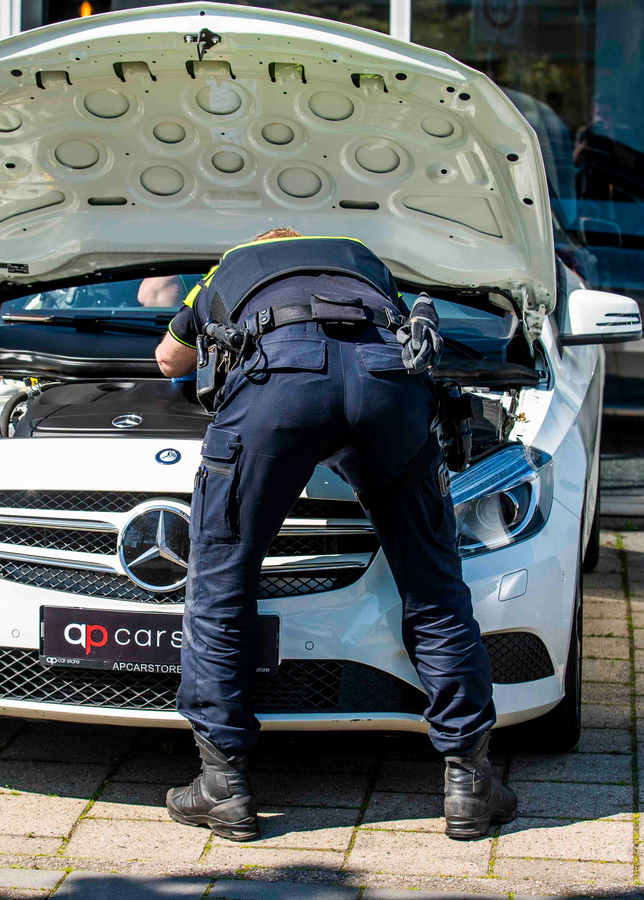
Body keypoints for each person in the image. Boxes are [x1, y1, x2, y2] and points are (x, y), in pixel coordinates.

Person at [154, 228, 516, 842]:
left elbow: (170, 361)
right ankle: (469, 782)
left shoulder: (229, 268)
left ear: (260, 247)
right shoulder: (362, 261)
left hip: (278, 387)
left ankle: (223, 786)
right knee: (432, 586)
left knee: (221, 588)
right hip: (388, 387)